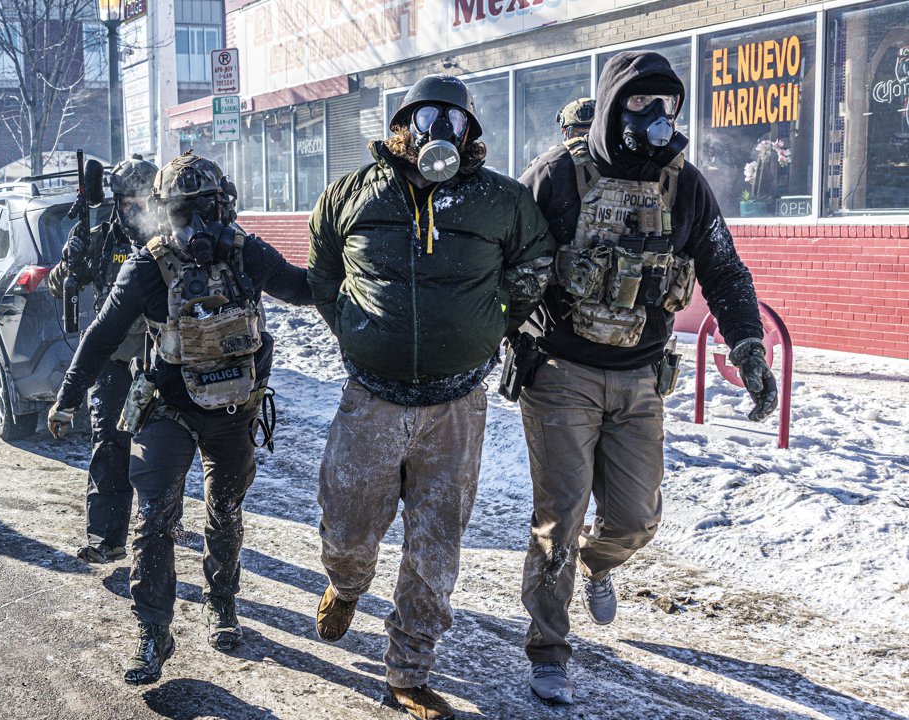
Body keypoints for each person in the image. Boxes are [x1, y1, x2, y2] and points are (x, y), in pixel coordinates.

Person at [515, 50, 778, 705]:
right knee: (560, 519)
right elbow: (501, 263)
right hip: (561, 372)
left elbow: (724, 270)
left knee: (636, 519)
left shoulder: (684, 185)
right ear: (612, 104)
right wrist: (487, 340)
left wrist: (748, 345)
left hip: (639, 378)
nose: (658, 118)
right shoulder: (554, 178)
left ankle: (600, 565)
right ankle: (548, 649)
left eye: (669, 106)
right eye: (641, 103)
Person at [307, 74, 553, 720]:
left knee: (435, 545)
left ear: (469, 132)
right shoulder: (351, 195)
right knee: (348, 525)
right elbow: (324, 269)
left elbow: (533, 264)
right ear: (402, 127)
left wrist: (491, 326)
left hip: (456, 406)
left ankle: (409, 671)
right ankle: (346, 584)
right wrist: (356, 329)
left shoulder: (501, 201)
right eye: (426, 117)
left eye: (453, 119)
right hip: (372, 397)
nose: (439, 130)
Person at [47, 151, 313, 686]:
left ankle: (222, 604)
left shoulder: (246, 253)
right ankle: (152, 631)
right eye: (183, 212)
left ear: (226, 205)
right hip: (167, 409)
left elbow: (305, 290)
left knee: (225, 511)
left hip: (234, 409)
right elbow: (101, 336)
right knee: (154, 519)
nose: (197, 224)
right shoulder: (147, 264)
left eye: (206, 208)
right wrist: (68, 397)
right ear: (163, 212)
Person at [47, 153, 159, 564]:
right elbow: (61, 286)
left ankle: (164, 522)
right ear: (116, 201)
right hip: (113, 358)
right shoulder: (98, 232)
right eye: (129, 202)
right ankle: (105, 539)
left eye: (144, 200)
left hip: (159, 357)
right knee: (109, 443)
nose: (137, 209)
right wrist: (70, 261)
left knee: (159, 447)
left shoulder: (168, 232)